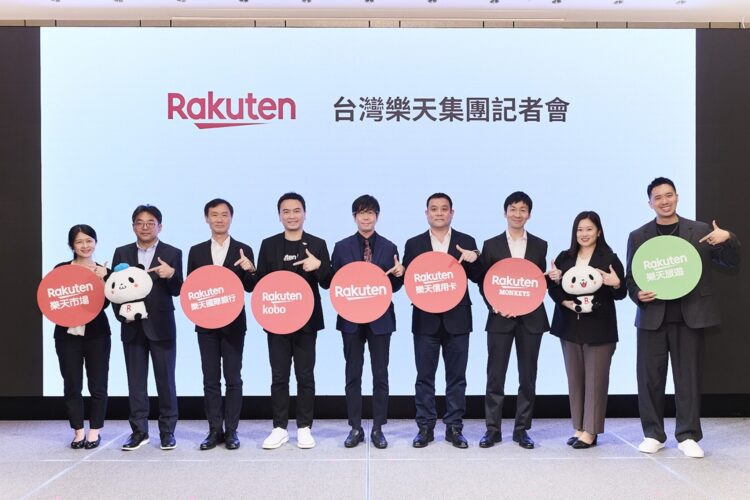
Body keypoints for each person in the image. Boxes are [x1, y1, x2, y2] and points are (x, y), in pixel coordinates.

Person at [626, 177, 741, 458]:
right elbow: (631, 278)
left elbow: (730, 263)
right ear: (650, 203)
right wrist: (638, 293)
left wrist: (728, 238)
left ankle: (688, 435)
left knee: (688, 379)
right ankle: (653, 434)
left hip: (690, 316)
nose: (664, 201)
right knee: (650, 379)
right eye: (658, 197)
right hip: (653, 318)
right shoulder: (638, 235)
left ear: (677, 197)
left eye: (669, 195)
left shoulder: (700, 230)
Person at [403, 193, 483, 449]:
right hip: (425, 320)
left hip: (458, 319)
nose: (439, 213)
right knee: (424, 377)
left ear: (452, 213)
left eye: (444, 209)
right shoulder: (414, 244)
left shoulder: (466, 241)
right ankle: (425, 428)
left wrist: (475, 259)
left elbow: (478, 277)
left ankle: (454, 428)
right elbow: (408, 280)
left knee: (457, 377)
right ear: (426, 213)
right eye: (434, 209)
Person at [255, 192, 332, 450]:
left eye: (296, 210)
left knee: (305, 375)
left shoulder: (317, 244)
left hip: (307, 321)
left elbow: (328, 282)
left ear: (305, 214)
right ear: (279, 216)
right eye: (286, 211)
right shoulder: (268, 245)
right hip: (276, 319)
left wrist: (318, 266)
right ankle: (279, 428)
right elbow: (261, 283)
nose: (291, 216)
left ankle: (304, 428)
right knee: (279, 375)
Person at [547, 211, 626, 448]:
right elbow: (553, 289)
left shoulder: (609, 258)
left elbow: (621, 293)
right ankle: (579, 428)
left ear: (598, 232)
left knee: (596, 381)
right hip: (569, 327)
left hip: (599, 329)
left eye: (589, 229)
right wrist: (560, 292)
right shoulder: (565, 257)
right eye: (580, 229)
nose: (584, 234)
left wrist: (616, 283)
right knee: (575, 380)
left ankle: (591, 431)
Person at [331, 195, 404, 449]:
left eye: (370, 213)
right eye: (361, 213)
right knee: (353, 374)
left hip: (380, 320)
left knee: (380, 375)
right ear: (354, 217)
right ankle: (355, 427)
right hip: (350, 319)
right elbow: (335, 283)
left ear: (377, 216)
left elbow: (393, 286)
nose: (366, 217)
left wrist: (400, 275)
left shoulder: (389, 246)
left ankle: (378, 428)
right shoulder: (341, 247)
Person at [479, 191, 549, 450]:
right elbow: (485, 283)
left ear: (529, 214)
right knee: (495, 377)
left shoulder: (540, 245)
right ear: (505, 212)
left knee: (527, 377)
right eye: (513, 209)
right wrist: (495, 306)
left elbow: (538, 282)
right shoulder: (491, 245)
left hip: (531, 319)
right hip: (500, 319)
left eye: (523, 209)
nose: (517, 214)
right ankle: (492, 430)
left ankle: (522, 430)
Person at [112, 204, 183, 451]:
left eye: (150, 223)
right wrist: (123, 317)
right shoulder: (121, 252)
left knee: (166, 381)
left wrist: (171, 274)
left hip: (161, 326)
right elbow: (114, 290)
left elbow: (178, 290)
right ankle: (139, 432)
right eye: (140, 223)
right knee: (136, 382)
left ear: (159, 226)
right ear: (133, 226)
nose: (145, 227)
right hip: (132, 327)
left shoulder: (172, 252)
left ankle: (167, 432)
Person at [187, 198, 255, 451]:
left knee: (233, 378)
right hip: (206, 325)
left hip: (234, 324)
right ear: (206, 219)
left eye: (224, 214)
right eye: (214, 215)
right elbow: (191, 289)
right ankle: (214, 430)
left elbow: (251, 287)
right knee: (210, 379)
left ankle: (232, 431)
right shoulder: (196, 251)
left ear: (231, 218)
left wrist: (250, 269)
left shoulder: (243, 249)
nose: (219, 219)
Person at [53, 224, 111, 449]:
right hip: (67, 335)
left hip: (97, 335)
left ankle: (95, 431)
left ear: (95, 242)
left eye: (89, 241)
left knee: (98, 384)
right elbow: (51, 298)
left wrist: (104, 279)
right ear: (72, 245)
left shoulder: (104, 271)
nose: (85, 246)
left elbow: (105, 304)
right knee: (72, 384)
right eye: (79, 242)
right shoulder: (61, 269)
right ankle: (78, 431)